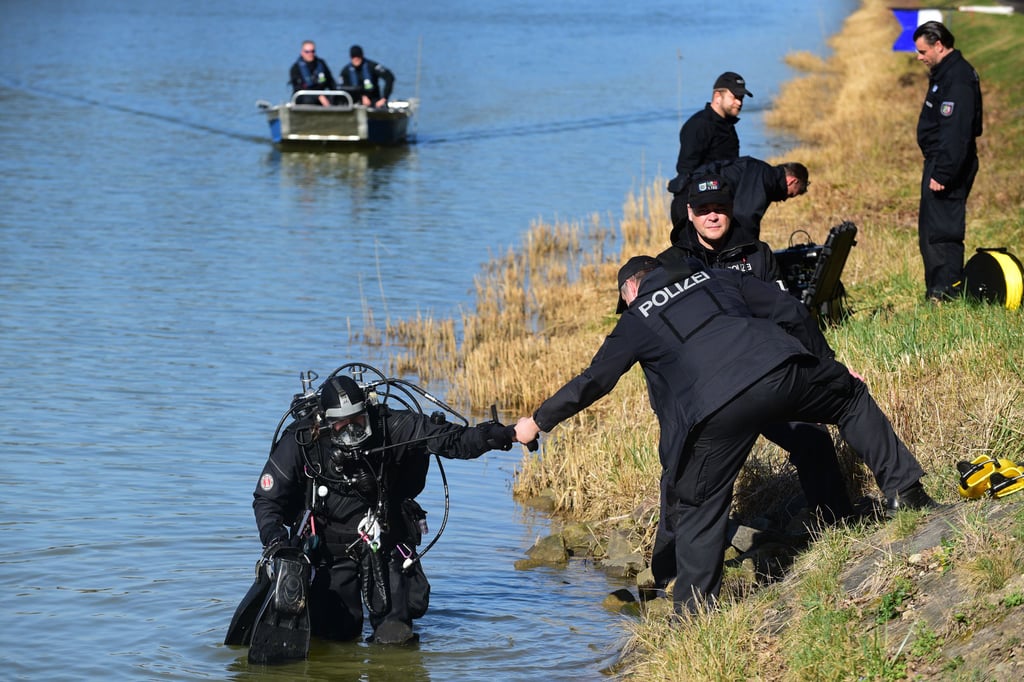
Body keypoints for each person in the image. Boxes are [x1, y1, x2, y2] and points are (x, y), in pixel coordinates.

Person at [513, 254, 938, 615]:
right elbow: (790, 310)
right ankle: (905, 493)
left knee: (701, 503)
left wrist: (537, 422)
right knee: (851, 398)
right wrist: (830, 366)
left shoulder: (637, 317)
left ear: (630, 291)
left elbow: (593, 381)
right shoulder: (716, 277)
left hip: (718, 410)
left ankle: (693, 613)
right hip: (783, 371)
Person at [252, 372, 516, 646]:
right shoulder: (303, 441)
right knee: (333, 641)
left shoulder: (390, 425)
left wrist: (498, 435)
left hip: (385, 542)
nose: (352, 429)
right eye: (342, 424)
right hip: (329, 555)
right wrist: (276, 543)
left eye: (358, 420)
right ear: (326, 423)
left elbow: (449, 438)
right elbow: (266, 500)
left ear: (367, 412)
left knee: (395, 639)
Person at [658, 172, 853, 523]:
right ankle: (675, 548)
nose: (712, 216)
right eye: (703, 210)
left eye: (719, 208)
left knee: (813, 437)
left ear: (732, 209)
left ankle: (835, 522)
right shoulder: (670, 265)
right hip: (708, 389)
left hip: (764, 374)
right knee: (684, 466)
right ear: (689, 212)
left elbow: (784, 317)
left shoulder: (757, 254)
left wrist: (816, 370)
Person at [913, 20, 983, 302]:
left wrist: (943, 172)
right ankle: (937, 289)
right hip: (939, 160)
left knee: (942, 230)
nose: (919, 57)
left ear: (939, 46)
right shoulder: (945, 73)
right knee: (931, 229)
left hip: (948, 165)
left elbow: (957, 132)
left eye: (922, 51)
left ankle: (946, 293)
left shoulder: (958, 78)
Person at [668, 157, 809, 243]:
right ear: (792, 181)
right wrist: (754, 255)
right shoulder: (763, 175)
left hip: (685, 202)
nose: (785, 199)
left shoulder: (757, 169)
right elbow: (745, 217)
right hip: (692, 206)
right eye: (791, 194)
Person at [668, 71, 752, 195]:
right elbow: (686, 172)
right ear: (718, 96)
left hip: (725, 196)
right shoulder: (699, 125)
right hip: (704, 199)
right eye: (734, 97)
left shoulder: (727, 125)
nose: (739, 102)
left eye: (741, 98)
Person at [289, 40, 338, 107]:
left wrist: (336, 94)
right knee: (308, 100)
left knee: (338, 98)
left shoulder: (321, 64)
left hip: (321, 95)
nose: (310, 54)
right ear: (302, 52)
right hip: (304, 97)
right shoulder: (295, 68)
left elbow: (331, 82)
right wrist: (318, 96)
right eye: (307, 52)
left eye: (312, 51)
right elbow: (298, 88)